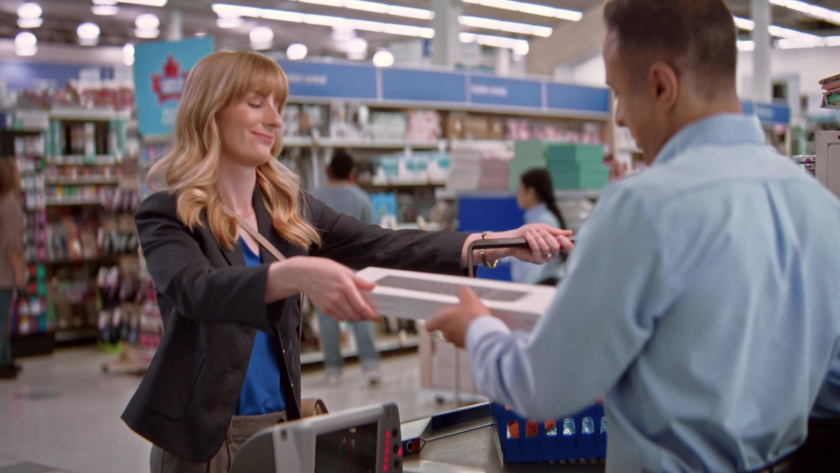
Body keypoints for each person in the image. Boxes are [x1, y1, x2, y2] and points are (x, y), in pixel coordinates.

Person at [428, 1, 840, 471]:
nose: (620, 118)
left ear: (662, 86)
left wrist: (478, 328)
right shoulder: (820, 209)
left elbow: (542, 388)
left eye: (620, 94)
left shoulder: (643, 209)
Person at [121, 51, 573, 473]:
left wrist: (491, 243)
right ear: (211, 110)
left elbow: (383, 245)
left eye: (278, 106)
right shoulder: (168, 212)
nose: (274, 120)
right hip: (202, 442)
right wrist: (295, 273)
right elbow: (195, 290)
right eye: (256, 104)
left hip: (280, 426)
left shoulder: (288, 208)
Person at [309, 149, 380, 386]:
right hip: (356, 268)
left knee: (328, 318)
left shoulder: (313, 196)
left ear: (329, 170)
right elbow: (373, 234)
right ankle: (370, 366)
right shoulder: (361, 198)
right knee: (361, 315)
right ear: (351, 174)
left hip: (322, 268)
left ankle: (333, 369)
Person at [512, 169, 566, 286]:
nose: (517, 193)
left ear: (531, 192)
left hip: (543, 287)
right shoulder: (537, 218)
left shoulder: (544, 221)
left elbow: (536, 265)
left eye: (520, 188)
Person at [0, 158, 26, 380]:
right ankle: (2, 362)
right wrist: (20, 275)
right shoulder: (11, 205)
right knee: (2, 319)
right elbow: (12, 246)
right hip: (4, 274)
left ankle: (7, 359)